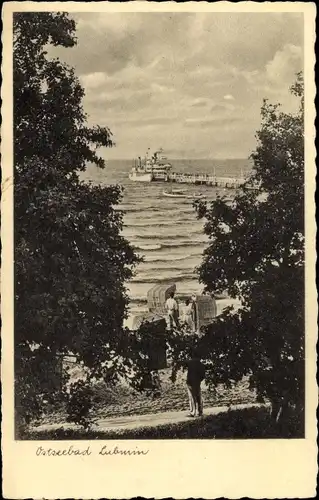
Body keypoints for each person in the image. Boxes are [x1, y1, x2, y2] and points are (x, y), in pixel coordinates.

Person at [186, 349, 205, 417]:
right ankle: (199, 411)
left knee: (192, 397)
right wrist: (199, 380)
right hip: (197, 382)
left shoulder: (190, 363)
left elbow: (189, 373)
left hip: (190, 381)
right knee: (198, 396)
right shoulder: (201, 364)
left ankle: (193, 412)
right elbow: (203, 375)